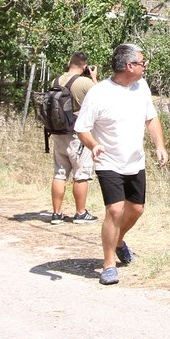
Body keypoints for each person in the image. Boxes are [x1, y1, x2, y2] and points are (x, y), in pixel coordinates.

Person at [74, 43, 169, 286]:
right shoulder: (99, 93)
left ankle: (118, 241)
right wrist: (93, 144)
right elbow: (81, 128)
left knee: (136, 210)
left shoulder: (142, 87)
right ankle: (108, 265)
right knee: (115, 210)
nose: (145, 66)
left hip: (135, 160)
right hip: (108, 161)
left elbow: (151, 118)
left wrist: (160, 146)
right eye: (142, 62)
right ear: (129, 66)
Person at [48, 51, 99, 225]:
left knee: (60, 173)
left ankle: (56, 214)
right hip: (78, 135)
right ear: (85, 66)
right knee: (81, 174)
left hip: (57, 133)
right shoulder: (84, 83)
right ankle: (80, 213)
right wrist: (93, 78)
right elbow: (101, 98)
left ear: (69, 62)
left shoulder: (55, 80)